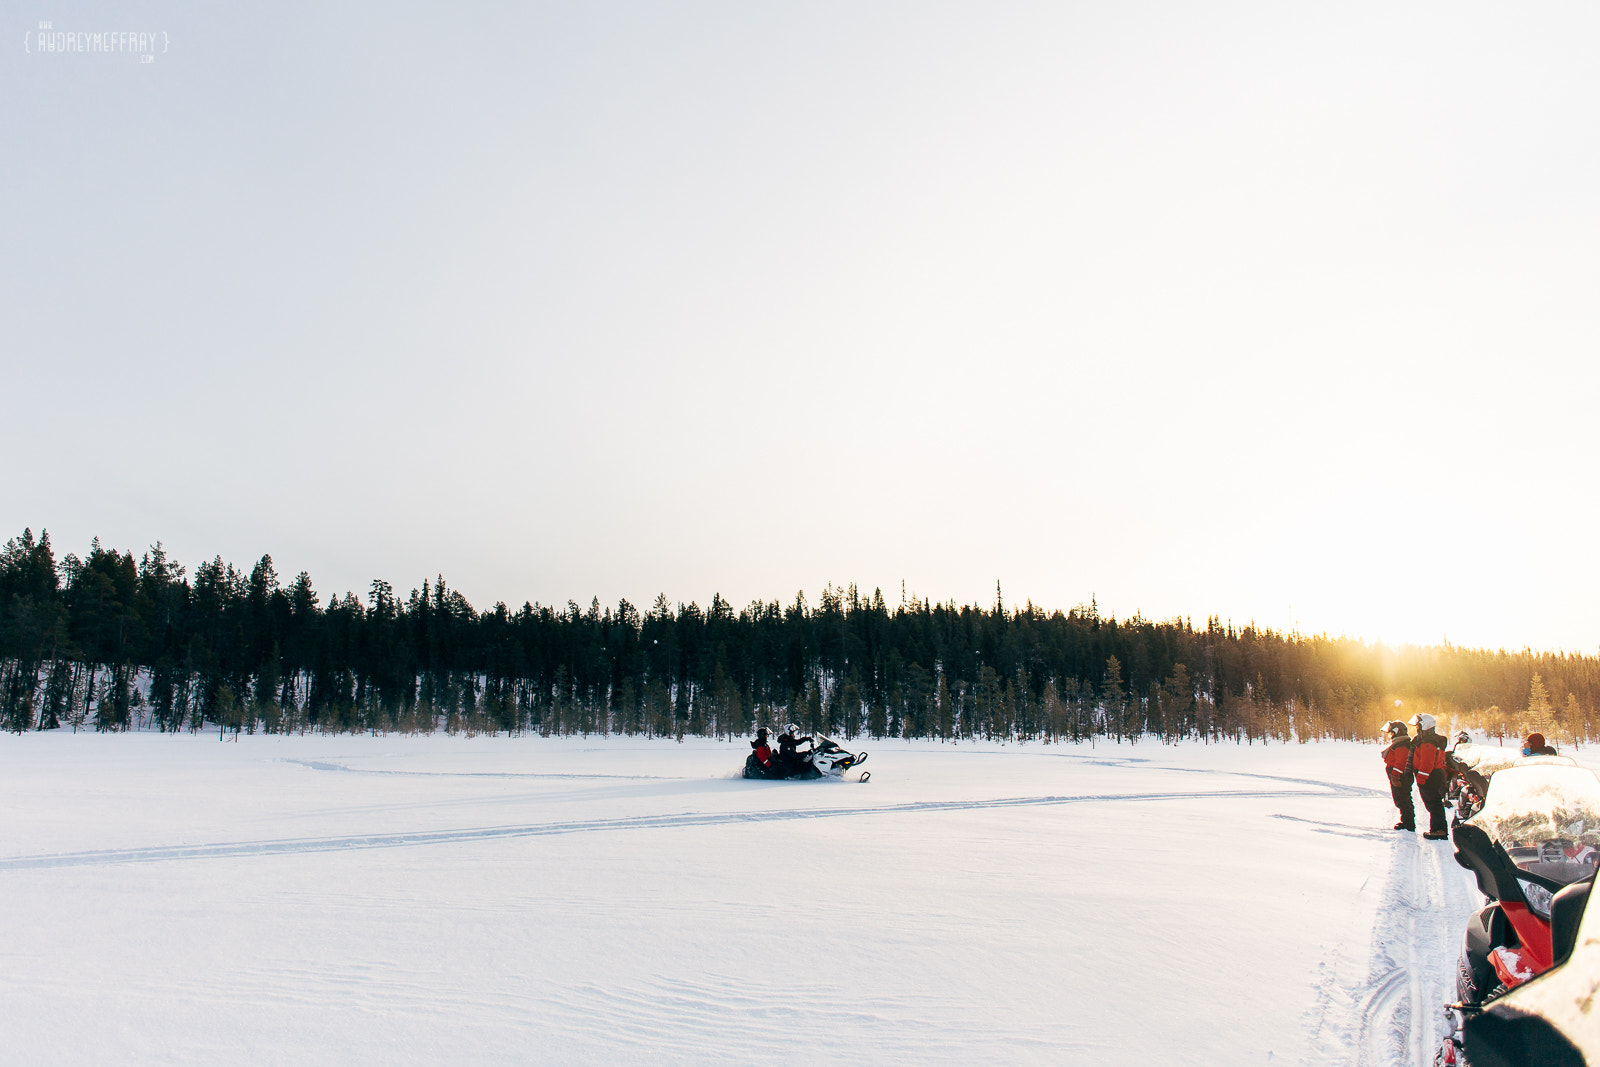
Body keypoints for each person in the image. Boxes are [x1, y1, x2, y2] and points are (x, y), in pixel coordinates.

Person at [1409, 713, 1450, 839]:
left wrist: (1421, 778)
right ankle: (1438, 829)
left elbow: (1427, 762)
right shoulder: (1427, 740)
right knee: (1433, 803)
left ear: (1424, 726)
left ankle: (1439, 830)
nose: (1417, 728)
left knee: (1434, 803)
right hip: (1433, 775)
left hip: (1431, 776)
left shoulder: (1428, 742)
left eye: (1419, 725)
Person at [1382, 720, 1415, 831]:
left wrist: (1395, 775)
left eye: (1392, 733)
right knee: (1402, 798)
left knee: (1402, 798)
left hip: (1400, 776)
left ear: (1397, 732)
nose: (1391, 735)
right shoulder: (1400, 743)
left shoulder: (1402, 745)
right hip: (1399, 775)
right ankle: (1406, 820)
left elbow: (1401, 762)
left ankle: (1408, 823)